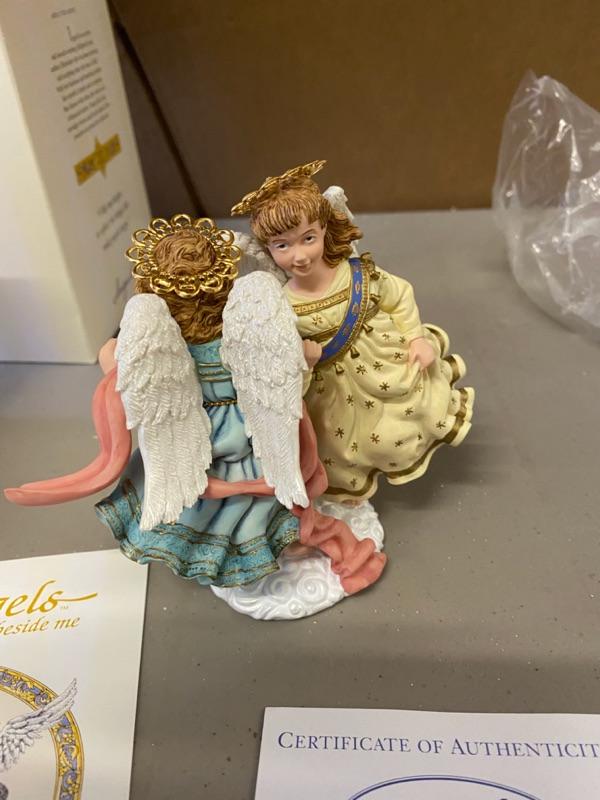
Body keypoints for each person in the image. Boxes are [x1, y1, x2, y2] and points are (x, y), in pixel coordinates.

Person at [5, 214, 384, 594]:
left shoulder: (151, 338)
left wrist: (117, 363)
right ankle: (289, 542)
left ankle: (264, 544)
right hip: (248, 429)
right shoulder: (249, 321)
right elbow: (282, 384)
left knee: (220, 501)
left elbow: (132, 386)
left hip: (189, 432)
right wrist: (303, 361)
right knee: (261, 496)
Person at [232, 161, 474, 504]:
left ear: (324, 230)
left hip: (383, 363)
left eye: (308, 239)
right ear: (267, 249)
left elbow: (399, 295)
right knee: (343, 444)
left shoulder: (358, 274)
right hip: (331, 389)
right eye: (282, 246)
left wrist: (416, 338)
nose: (299, 256)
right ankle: (352, 492)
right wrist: (304, 361)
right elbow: (279, 360)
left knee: (399, 426)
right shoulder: (281, 305)